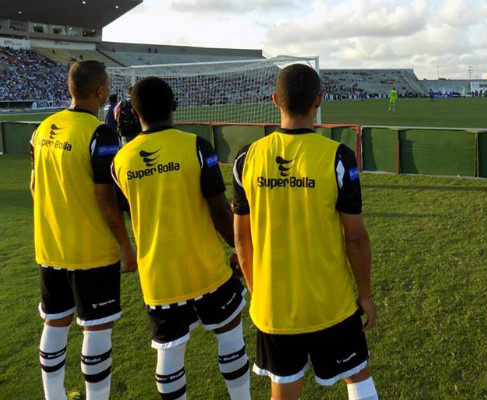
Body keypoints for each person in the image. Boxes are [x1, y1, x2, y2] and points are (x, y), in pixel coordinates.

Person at [232, 64, 378, 400]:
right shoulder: (337, 157)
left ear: (274, 101)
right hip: (331, 304)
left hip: (274, 308)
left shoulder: (247, 159)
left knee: (284, 390)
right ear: (319, 101)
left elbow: (241, 239)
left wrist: (258, 291)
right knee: (357, 376)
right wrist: (366, 295)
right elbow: (355, 238)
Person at [111, 77, 251, 400]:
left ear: (133, 111)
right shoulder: (196, 146)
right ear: (175, 105)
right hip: (207, 269)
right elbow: (219, 212)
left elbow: (132, 212)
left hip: (160, 278)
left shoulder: (120, 162)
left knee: (169, 351)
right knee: (230, 336)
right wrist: (243, 251)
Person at [30, 60, 136, 400]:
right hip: (91, 250)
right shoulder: (99, 133)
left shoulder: (42, 128)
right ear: (101, 91)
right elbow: (106, 199)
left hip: (50, 247)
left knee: (55, 320)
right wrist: (124, 244)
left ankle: (53, 396)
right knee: (97, 326)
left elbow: (35, 186)